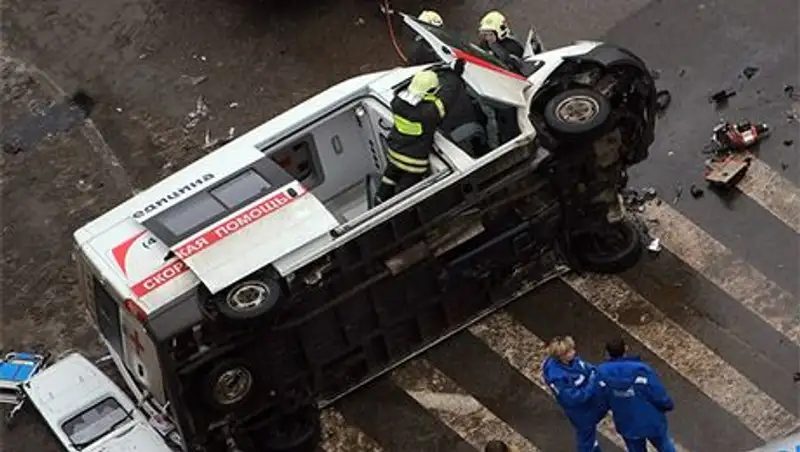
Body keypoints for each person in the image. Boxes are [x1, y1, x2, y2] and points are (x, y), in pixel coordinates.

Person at [374, 69, 448, 203]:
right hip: (414, 163)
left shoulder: (397, 102)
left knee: (389, 179)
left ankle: (379, 200)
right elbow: (442, 105)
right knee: (405, 196)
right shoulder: (428, 113)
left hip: (395, 153)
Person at [597, 338, 676, 452]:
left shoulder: (602, 373)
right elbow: (657, 392)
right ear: (626, 349)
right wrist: (667, 404)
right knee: (664, 445)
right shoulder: (641, 370)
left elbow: (601, 398)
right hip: (651, 419)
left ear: (607, 354)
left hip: (627, 423)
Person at [542, 336, 607, 452]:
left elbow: (587, 367)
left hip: (590, 402)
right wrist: (592, 381)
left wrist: (594, 373)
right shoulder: (558, 377)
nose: (574, 352)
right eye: (571, 351)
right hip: (580, 412)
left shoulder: (572, 361)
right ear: (562, 356)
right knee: (586, 438)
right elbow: (575, 398)